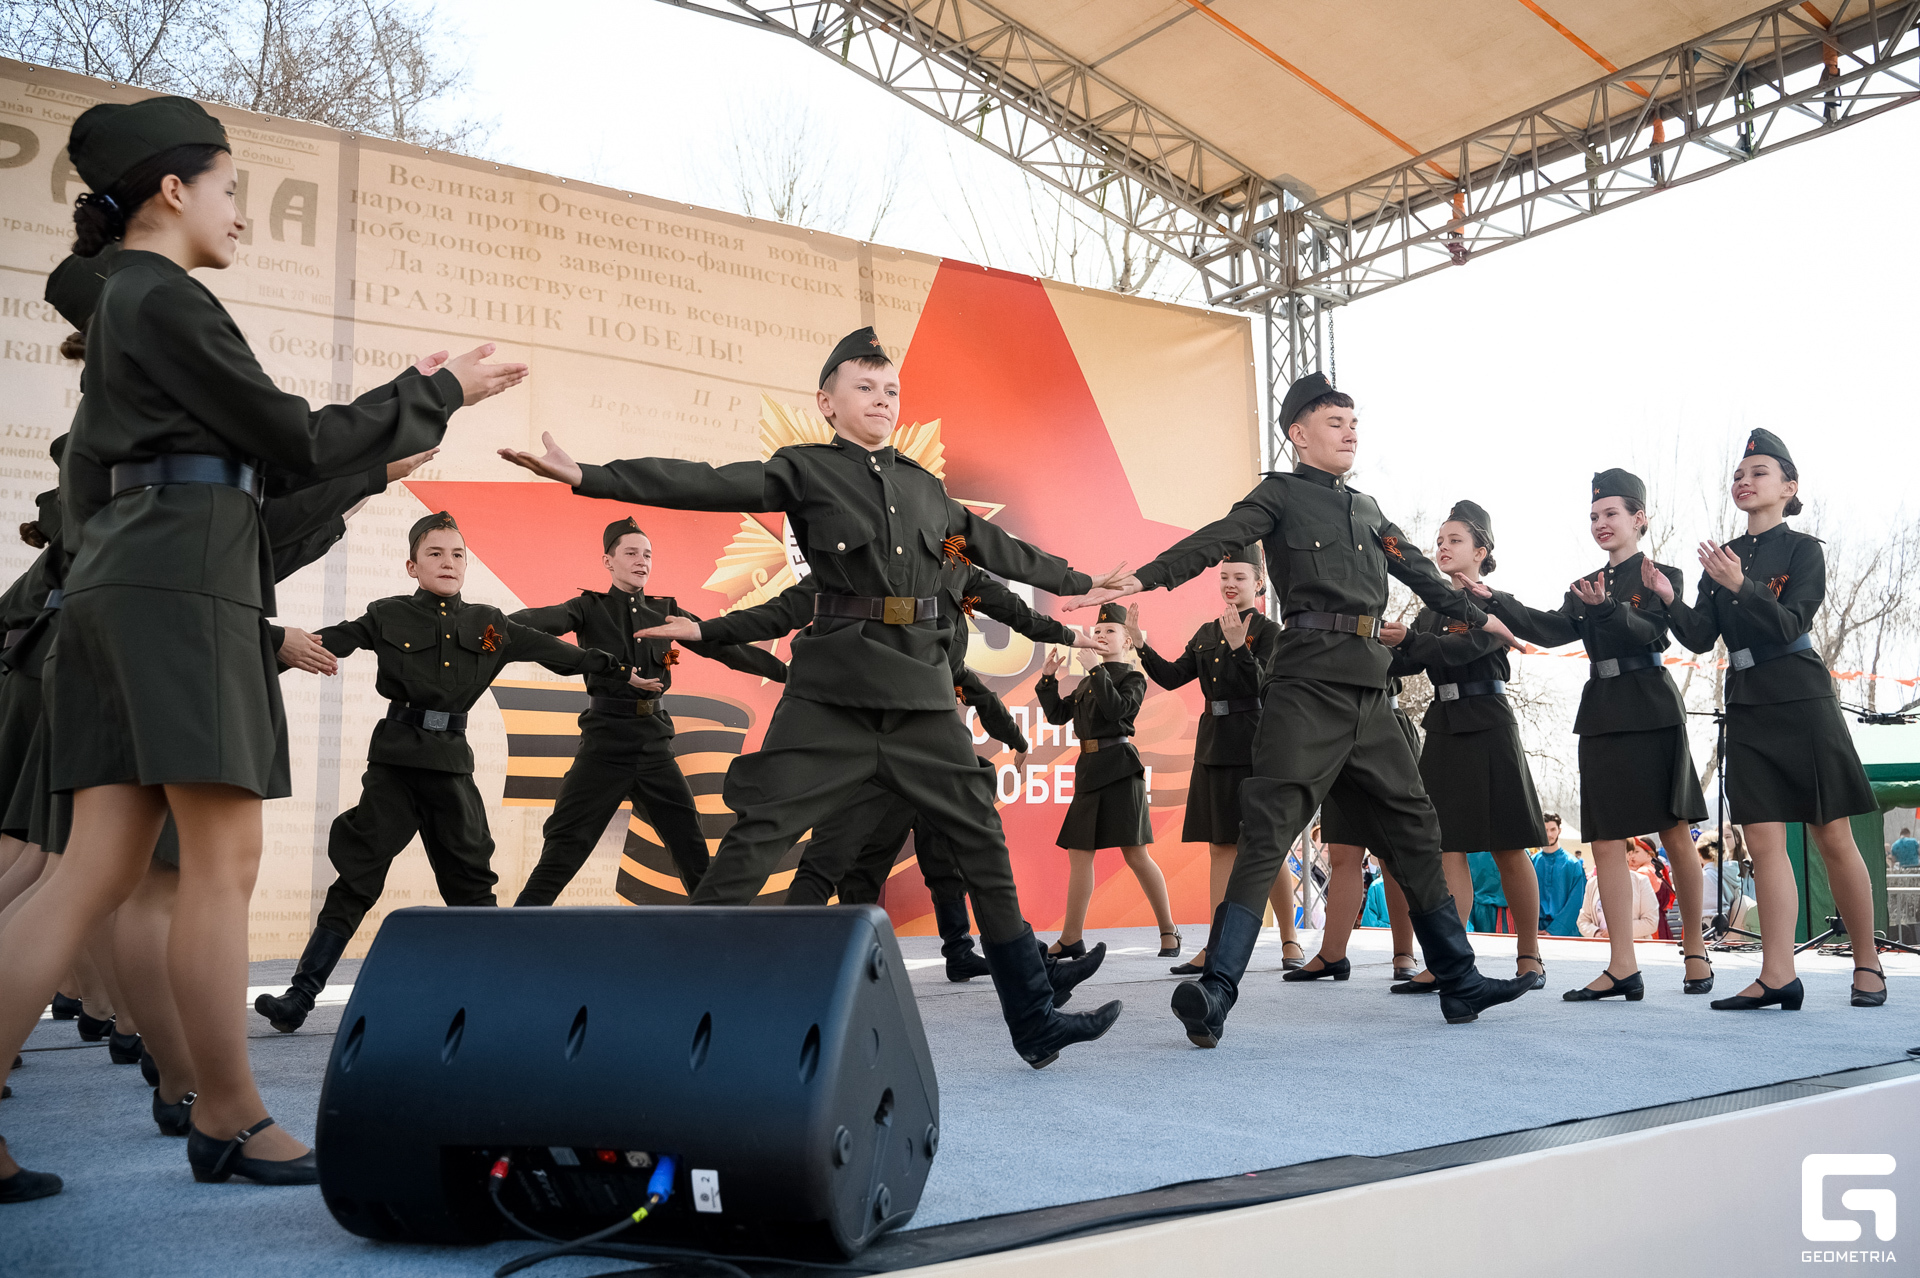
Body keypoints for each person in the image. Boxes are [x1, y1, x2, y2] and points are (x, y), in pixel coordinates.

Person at [0, 94, 521, 1201]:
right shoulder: (164, 296)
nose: (242, 212)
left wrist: (385, 438)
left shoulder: (128, 303)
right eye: (231, 189)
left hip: (132, 588)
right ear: (173, 189)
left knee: (87, 873)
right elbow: (289, 437)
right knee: (218, 869)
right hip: (183, 591)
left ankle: (220, 1109)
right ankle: (229, 1115)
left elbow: (267, 462)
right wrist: (438, 394)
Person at [501, 326, 1124, 1069]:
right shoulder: (806, 471)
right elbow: (709, 482)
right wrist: (592, 476)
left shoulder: (927, 493)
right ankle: (671, 1008)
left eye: (891, 389)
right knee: (758, 838)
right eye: (865, 387)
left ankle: (1035, 1020)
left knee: (981, 842)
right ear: (827, 402)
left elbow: (993, 554)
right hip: (833, 695)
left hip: (922, 702)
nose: (882, 400)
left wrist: (1079, 583)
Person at [1066, 371, 1536, 1039]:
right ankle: (1218, 988)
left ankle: (1459, 981)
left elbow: (1422, 575)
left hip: (1372, 693)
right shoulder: (1279, 495)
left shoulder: (1370, 512)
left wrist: (1485, 620)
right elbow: (1216, 538)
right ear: (1298, 433)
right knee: (1267, 831)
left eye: (1354, 422)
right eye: (1334, 422)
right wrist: (1144, 578)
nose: (1349, 432)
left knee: (1414, 829)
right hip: (1307, 687)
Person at [253, 512, 642, 1034]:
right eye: (435, 553)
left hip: (451, 771)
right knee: (356, 880)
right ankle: (300, 997)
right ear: (412, 566)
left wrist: (619, 670)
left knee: (472, 891)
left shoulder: (489, 625)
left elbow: (560, 654)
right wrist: (268, 650)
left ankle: (497, 1000)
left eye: (457, 554)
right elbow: (328, 641)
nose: (448, 562)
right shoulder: (387, 615)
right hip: (394, 768)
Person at [1658, 429, 1886, 1009]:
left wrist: (1741, 584)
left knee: (1832, 834)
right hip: (1747, 704)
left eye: (1758, 472)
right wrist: (1668, 598)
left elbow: (1791, 623)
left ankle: (1867, 962)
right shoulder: (1722, 556)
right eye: (1738, 473)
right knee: (1762, 842)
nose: (1744, 480)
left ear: (1789, 487)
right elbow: (1700, 636)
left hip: (1801, 698)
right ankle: (1779, 974)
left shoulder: (1804, 551)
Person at [1467, 468, 1711, 1004]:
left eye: (1611, 514)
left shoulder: (1661, 575)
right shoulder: (1584, 584)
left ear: (1639, 519)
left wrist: (1606, 608)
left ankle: (1695, 948)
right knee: (1604, 838)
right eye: (1594, 516)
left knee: (1673, 830)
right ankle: (1622, 964)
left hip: (1651, 706)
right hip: (1601, 712)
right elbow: (1550, 630)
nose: (1601, 523)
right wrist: (1494, 597)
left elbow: (1648, 632)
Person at [507, 517, 787, 905]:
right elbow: (529, 626)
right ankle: (513, 930)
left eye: (648, 554)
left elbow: (724, 648)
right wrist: (487, 628)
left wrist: (789, 674)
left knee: (693, 852)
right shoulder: (588, 608)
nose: (642, 561)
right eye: (631, 553)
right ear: (608, 562)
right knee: (561, 853)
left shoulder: (665, 611)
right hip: (604, 747)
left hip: (655, 747)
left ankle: (719, 933)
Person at [1382, 501, 1547, 988]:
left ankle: (1530, 955)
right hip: (1444, 727)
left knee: (1507, 845)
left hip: (1489, 724)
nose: (1443, 547)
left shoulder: (1494, 605)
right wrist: (1376, 642)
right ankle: (1450, 961)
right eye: (1439, 540)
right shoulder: (1431, 610)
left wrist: (1408, 640)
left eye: (1455, 540)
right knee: (1445, 847)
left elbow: (1463, 648)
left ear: (1481, 551)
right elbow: (1408, 662)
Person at [1129, 550, 1305, 974]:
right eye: (1224, 576)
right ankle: (1215, 947)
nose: (1230, 584)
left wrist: (1239, 648)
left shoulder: (1270, 632)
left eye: (1239, 577)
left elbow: (1266, 686)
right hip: (1213, 745)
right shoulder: (1207, 631)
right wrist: (1140, 644)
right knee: (1220, 846)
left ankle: (1290, 939)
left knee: (1265, 844)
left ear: (1258, 583)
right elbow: (1173, 676)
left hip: (1254, 744)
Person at [1035, 605, 1180, 959]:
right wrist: (1048, 680)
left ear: (1127, 641)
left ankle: (1169, 930)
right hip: (1089, 770)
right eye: (1097, 631)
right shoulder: (1088, 680)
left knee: (1136, 855)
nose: (1100, 635)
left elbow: (1117, 711)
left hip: (1120, 769)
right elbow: (1057, 715)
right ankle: (1071, 938)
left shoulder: (1133, 678)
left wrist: (1096, 670)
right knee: (1079, 855)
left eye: (1110, 631)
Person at [1532, 814, 1586, 939]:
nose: (1549, 834)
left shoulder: (1573, 864)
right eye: (1545, 830)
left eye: (1553, 829)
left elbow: (1576, 902)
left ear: (1559, 830)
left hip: (1566, 932)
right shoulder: (1532, 862)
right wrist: (1533, 929)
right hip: (1535, 931)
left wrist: (1554, 930)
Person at [1577, 862, 1658, 941]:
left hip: (1633, 946)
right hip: (1601, 946)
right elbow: (1583, 920)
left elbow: (1651, 922)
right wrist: (1595, 933)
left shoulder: (1640, 881)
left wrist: (1618, 931)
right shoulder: (1592, 883)